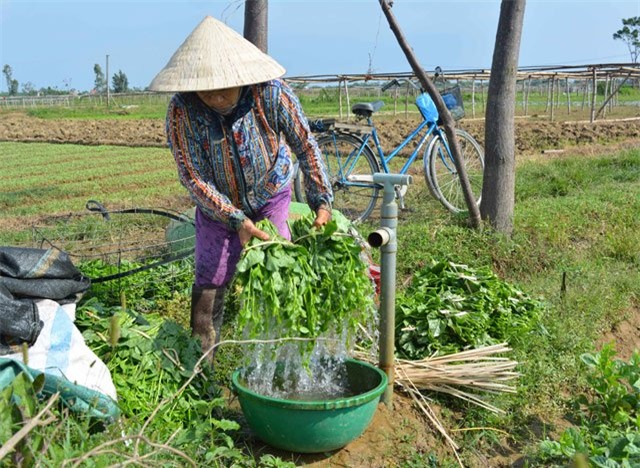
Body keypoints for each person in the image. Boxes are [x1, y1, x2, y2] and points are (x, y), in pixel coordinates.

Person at [149, 16, 333, 362]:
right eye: (206, 88)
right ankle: (202, 366)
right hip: (217, 206)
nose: (215, 96)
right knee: (210, 277)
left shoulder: (271, 93)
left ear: (242, 78)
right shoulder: (182, 112)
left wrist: (321, 200)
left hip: (270, 192)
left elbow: (306, 145)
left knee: (278, 262)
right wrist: (235, 219)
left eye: (224, 87)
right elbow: (193, 177)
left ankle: (280, 357)